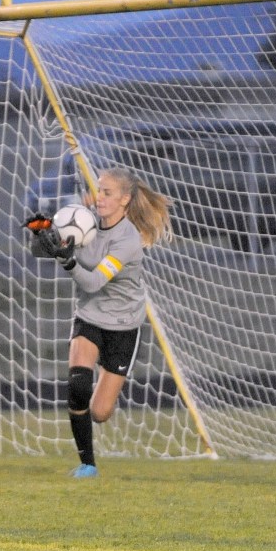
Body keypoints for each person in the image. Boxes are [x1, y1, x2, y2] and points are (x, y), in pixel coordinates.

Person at [31, 167, 171, 477]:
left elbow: (93, 282)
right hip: (89, 317)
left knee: (99, 412)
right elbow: (41, 250)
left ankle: (106, 398)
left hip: (123, 326)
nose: (100, 197)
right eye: (99, 190)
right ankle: (87, 464)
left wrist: (68, 261)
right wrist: (42, 232)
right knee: (78, 386)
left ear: (124, 200)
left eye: (107, 193)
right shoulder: (83, 221)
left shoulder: (128, 240)